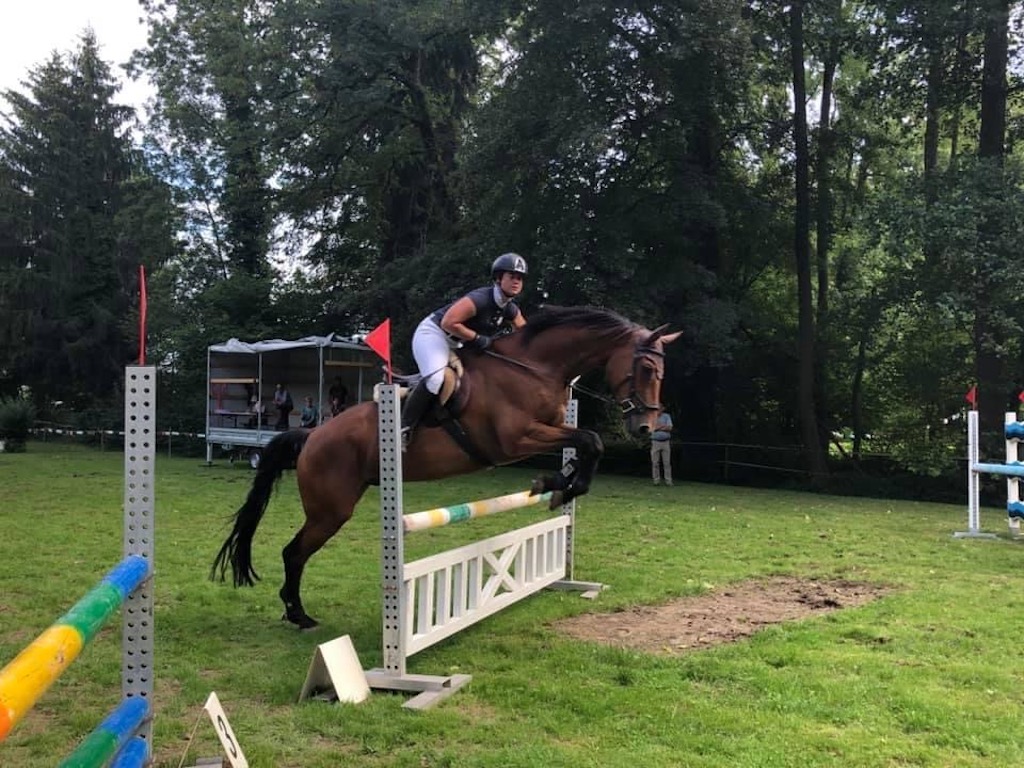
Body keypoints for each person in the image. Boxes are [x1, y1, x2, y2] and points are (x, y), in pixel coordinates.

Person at [402, 252, 529, 448]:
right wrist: (477, 338)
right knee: (436, 379)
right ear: (498, 278)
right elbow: (448, 322)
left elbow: (526, 335)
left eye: (520, 278)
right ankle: (404, 428)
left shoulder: (510, 309)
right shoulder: (480, 299)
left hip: (457, 344)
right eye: (511, 276)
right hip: (434, 334)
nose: (516, 282)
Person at [650, 406, 673, 486]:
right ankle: (656, 480)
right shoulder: (652, 417)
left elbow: (669, 428)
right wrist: (663, 426)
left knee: (667, 463)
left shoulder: (666, 416)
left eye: (660, 408)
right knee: (655, 462)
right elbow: (652, 428)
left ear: (662, 409)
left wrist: (658, 427)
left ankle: (668, 481)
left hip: (666, 442)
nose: (658, 410)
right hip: (655, 442)